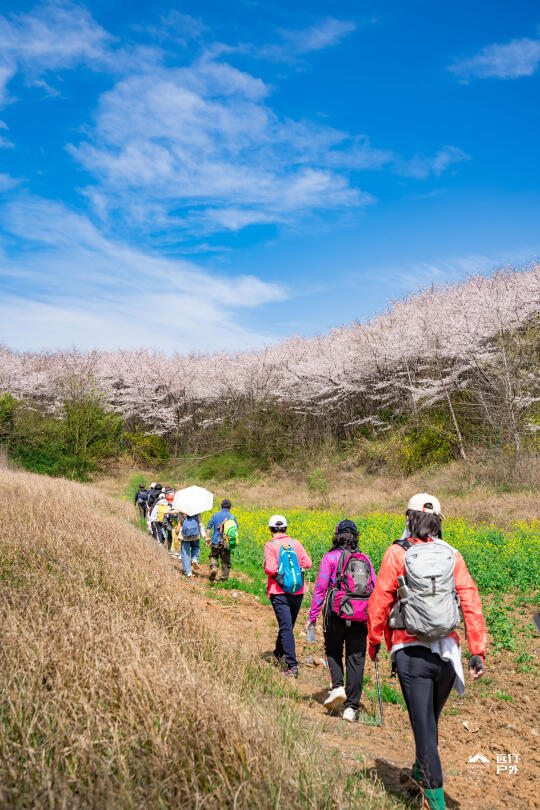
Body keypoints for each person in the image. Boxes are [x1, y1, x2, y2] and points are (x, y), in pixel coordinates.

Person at [367, 494, 487, 810]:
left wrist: (374, 639)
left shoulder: (397, 553)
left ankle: (435, 802)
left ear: (409, 518)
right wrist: (478, 650)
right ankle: (419, 776)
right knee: (428, 725)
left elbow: (379, 600)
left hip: (411, 654)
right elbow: (471, 601)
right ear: (438, 521)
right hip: (448, 655)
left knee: (424, 732)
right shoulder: (451, 554)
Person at [306, 519, 376, 722]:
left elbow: (320, 589)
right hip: (360, 614)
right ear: (355, 537)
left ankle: (337, 686)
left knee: (333, 650)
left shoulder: (329, 558)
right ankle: (351, 708)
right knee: (356, 658)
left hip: (335, 614)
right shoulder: (365, 559)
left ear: (336, 536)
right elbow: (373, 586)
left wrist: (312, 617)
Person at [263, 514, 312, 678]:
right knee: (287, 625)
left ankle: (292, 665)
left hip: (279, 591)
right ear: (285, 528)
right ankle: (278, 652)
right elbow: (308, 563)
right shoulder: (296, 543)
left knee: (285, 626)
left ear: (271, 530)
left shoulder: (270, 546)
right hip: (298, 591)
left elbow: (270, 569)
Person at [206, 499, 238, 582]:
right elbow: (236, 528)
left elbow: (209, 527)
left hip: (216, 541)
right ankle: (224, 580)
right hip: (226, 543)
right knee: (225, 562)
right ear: (230, 508)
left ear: (221, 506)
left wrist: (208, 538)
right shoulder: (232, 517)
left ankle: (214, 567)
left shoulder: (215, 515)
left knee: (213, 555)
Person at [179, 513, 207, 577]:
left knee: (185, 552)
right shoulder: (196, 510)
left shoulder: (182, 510)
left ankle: (188, 572)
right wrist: (204, 536)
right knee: (195, 547)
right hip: (195, 534)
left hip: (185, 535)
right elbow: (200, 523)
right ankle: (194, 559)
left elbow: (180, 523)